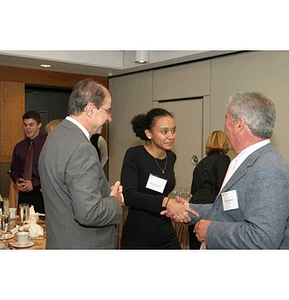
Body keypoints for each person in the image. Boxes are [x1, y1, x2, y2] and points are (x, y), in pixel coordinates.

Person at [169, 91, 289, 249]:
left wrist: (210, 231)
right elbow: (227, 209)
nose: (224, 128)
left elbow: (262, 240)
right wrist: (190, 210)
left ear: (239, 125)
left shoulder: (269, 170)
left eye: (226, 119)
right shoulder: (246, 161)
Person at [38, 79, 124, 249]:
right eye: (107, 111)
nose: (109, 119)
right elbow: (89, 212)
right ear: (90, 109)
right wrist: (115, 200)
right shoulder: (82, 148)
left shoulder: (55, 136)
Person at [120, 108, 197, 249]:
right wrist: (166, 202)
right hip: (138, 232)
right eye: (164, 132)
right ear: (149, 133)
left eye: (173, 130)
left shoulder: (171, 157)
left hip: (164, 228)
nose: (171, 136)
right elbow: (129, 195)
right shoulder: (134, 155)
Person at [188, 130, 230, 249]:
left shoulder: (201, 163)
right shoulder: (224, 160)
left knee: (195, 247)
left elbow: (193, 189)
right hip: (211, 208)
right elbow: (223, 187)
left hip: (194, 207)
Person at [10, 110, 46, 213]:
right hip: (23, 196)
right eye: (25, 125)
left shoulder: (47, 144)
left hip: (42, 195)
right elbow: (14, 169)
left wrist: (34, 184)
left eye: (31, 125)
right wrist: (18, 181)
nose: (28, 128)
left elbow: (52, 172)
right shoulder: (19, 147)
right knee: (22, 224)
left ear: (39, 125)